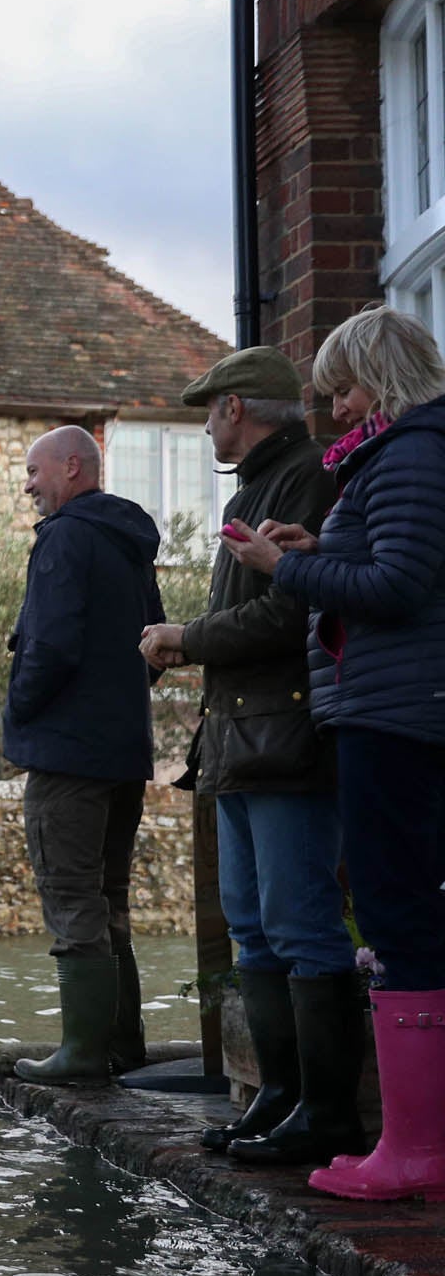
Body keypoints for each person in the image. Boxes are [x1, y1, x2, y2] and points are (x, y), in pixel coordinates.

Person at [221, 306, 445, 1201]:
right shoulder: (395, 457)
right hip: (387, 709)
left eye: (344, 389)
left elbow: (398, 585)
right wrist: (321, 547)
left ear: (382, 379)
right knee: (396, 923)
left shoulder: (413, 452)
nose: (338, 411)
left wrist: (289, 572)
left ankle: (416, 1152)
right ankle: (414, 1143)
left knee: (398, 923)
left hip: (398, 717)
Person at [138, 347, 355, 1164]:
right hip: (240, 740)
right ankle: (281, 1094)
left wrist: (183, 639)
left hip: (285, 738)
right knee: (255, 931)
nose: (205, 426)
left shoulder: (304, 478)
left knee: (301, 929)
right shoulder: (262, 486)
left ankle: (326, 1113)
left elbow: (286, 615)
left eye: (208, 411)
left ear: (236, 408)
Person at [4, 425, 166, 1085]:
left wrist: (16, 710)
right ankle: (122, 1045)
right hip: (125, 749)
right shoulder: (131, 544)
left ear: (73, 468)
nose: (29, 484)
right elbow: (156, 646)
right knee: (110, 899)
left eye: (35, 471)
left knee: (73, 899)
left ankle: (82, 1054)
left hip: (69, 754)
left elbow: (47, 646)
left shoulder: (65, 538)